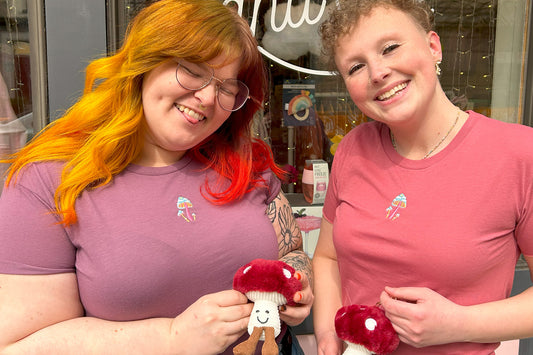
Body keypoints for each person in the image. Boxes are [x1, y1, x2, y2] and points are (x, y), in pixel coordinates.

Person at [0, 1, 313, 354]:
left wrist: (298, 282)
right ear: (144, 64)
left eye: (227, 87)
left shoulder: (245, 160)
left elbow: (291, 251)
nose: (208, 98)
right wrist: (170, 338)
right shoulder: (48, 181)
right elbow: (18, 345)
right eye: (192, 71)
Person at [313, 0, 533, 354]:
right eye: (356, 66)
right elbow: (327, 258)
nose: (377, 72)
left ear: (433, 46)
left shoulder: (520, 153)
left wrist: (457, 324)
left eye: (390, 48)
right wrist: (327, 336)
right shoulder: (353, 149)